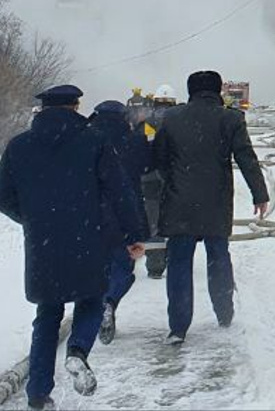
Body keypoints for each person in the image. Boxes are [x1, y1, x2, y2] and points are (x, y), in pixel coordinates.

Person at [0, 85, 148, 410]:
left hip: (43, 244)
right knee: (92, 300)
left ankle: (38, 394)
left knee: (48, 314)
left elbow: (3, 195)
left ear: (42, 110)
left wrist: (32, 218)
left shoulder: (18, 146)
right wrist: (133, 234)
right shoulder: (94, 142)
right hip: (87, 238)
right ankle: (78, 351)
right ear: (75, 106)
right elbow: (120, 191)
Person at [153, 70, 269, 345]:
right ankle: (224, 312)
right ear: (218, 91)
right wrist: (259, 194)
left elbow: (158, 158)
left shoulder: (171, 118)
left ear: (190, 90)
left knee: (179, 262)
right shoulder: (230, 118)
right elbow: (246, 158)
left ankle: (178, 327)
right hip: (215, 203)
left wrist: (174, 181)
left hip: (179, 202)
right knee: (218, 256)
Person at [87, 100, 152, 345]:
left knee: (95, 267)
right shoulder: (135, 139)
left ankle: (97, 308)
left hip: (89, 214)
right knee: (123, 267)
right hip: (125, 212)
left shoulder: (85, 140)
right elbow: (147, 166)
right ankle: (110, 301)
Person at [139, 84, 179, 279]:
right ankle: (176, 261)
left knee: (153, 223)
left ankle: (155, 265)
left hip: (149, 180)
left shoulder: (145, 122)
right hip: (176, 180)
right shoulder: (182, 121)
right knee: (177, 222)